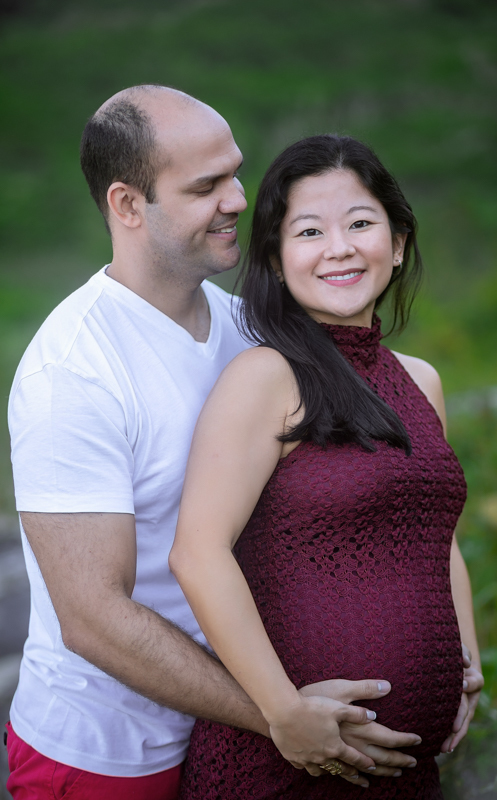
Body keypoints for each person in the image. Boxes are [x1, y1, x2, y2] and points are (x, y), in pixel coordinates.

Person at [5, 87, 426, 798]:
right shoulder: (72, 370)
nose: (237, 199)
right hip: (111, 755)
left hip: (239, 739)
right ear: (128, 205)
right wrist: (276, 712)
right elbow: (92, 618)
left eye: (235, 173)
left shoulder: (253, 331)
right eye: (205, 186)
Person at [170, 134, 484, 798]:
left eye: (360, 224)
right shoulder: (266, 378)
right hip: (281, 763)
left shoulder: (419, 381)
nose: (339, 247)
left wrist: (466, 661)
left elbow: (435, 536)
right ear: (278, 262)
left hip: (399, 772)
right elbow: (199, 554)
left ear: (396, 243)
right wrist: (283, 713)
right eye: (309, 231)